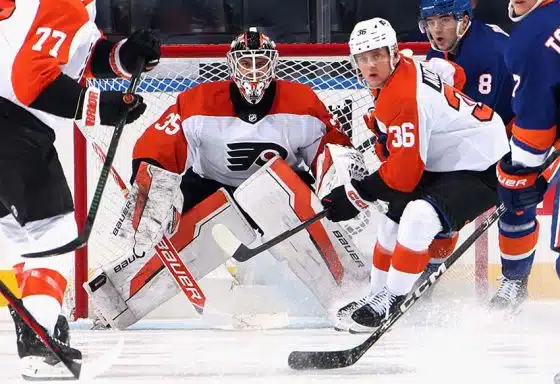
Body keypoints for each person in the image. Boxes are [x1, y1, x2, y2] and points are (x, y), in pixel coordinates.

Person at [83, 27, 367, 331]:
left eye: (261, 62)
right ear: (233, 65)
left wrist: (340, 186)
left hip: (280, 195)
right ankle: (114, 302)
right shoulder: (198, 102)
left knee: (299, 197)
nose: (254, 71)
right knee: (167, 224)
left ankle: (351, 295)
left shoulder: (303, 103)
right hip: (211, 189)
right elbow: (160, 148)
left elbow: (331, 152)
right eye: (247, 63)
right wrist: (150, 187)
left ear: (274, 64)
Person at [0, 0, 159, 379]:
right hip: (11, 126)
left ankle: (38, 325)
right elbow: (30, 80)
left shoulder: (75, 7)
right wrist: (102, 108)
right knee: (54, 231)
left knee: (26, 239)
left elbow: (78, 55)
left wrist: (126, 55)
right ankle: (40, 341)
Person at [321, 17, 510, 333]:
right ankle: (375, 295)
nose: (371, 65)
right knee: (393, 220)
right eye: (363, 58)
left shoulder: (403, 96)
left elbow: (405, 175)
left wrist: (357, 193)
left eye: (378, 55)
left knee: (418, 217)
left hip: (484, 164)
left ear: (394, 53)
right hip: (447, 160)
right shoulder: (395, 79)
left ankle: (390, 301)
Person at [418, 0, 516, 304]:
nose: (436, 29)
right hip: (484, 136)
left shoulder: (487, 52)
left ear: (464, 19)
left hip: (518, 134)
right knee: (435, 198)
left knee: (517, 205)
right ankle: (430, 270)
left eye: (444, 20)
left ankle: (515, 282)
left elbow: (485, 118)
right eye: (430, 21)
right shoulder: (442, 48)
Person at [493, 0, 560, 312]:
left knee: (513, 189)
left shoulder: (530, 37)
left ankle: (515, 280)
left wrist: (522, 174)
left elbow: (536, 126)